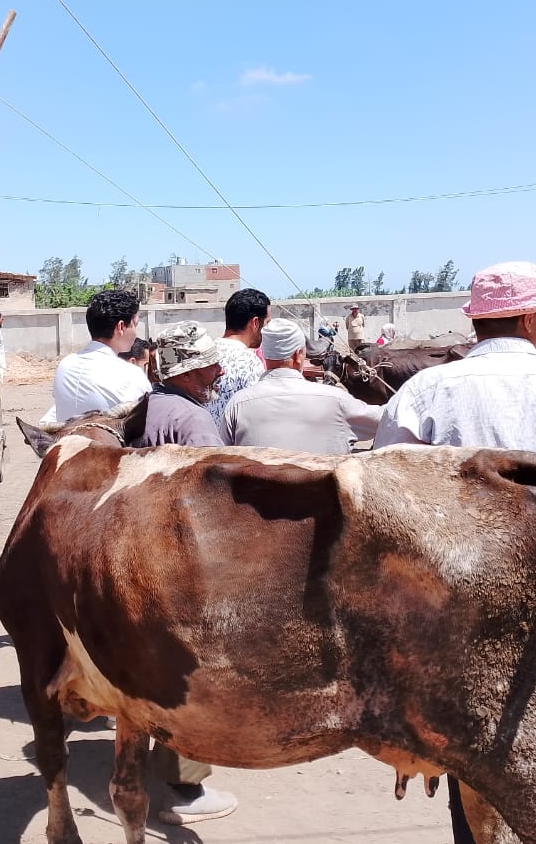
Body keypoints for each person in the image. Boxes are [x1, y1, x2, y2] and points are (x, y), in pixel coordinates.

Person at [372, 261, 536, 843]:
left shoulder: (424, 392)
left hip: (452, 612)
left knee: (467, 750)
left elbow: (381, 505)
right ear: (533, 318)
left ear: (476, 321)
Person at [128, 320, 237, 824]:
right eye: (209, 363)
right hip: (182, 560)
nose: (217, 369)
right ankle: (184, 792)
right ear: (190, 369)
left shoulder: (146, 408)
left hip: (139, 553)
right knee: (188, 672)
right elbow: (215, 502)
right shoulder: (195, 422)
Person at [221, 319, 381, 454]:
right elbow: (387, 420)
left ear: (265, 355)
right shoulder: (336, 400)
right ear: (298, 356)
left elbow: (221, 456)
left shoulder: (237, 405)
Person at [48, 290, 150, 422]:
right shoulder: (130, 374)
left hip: (68, 440)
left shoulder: (65, 364)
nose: (136, 332)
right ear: (121, 327)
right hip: (107, 442)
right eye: (135, 325)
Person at [206, 288, 269, 423]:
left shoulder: (205, 354)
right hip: (234, 443)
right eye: (267, 323)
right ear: (255, 323)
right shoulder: (250, 363)